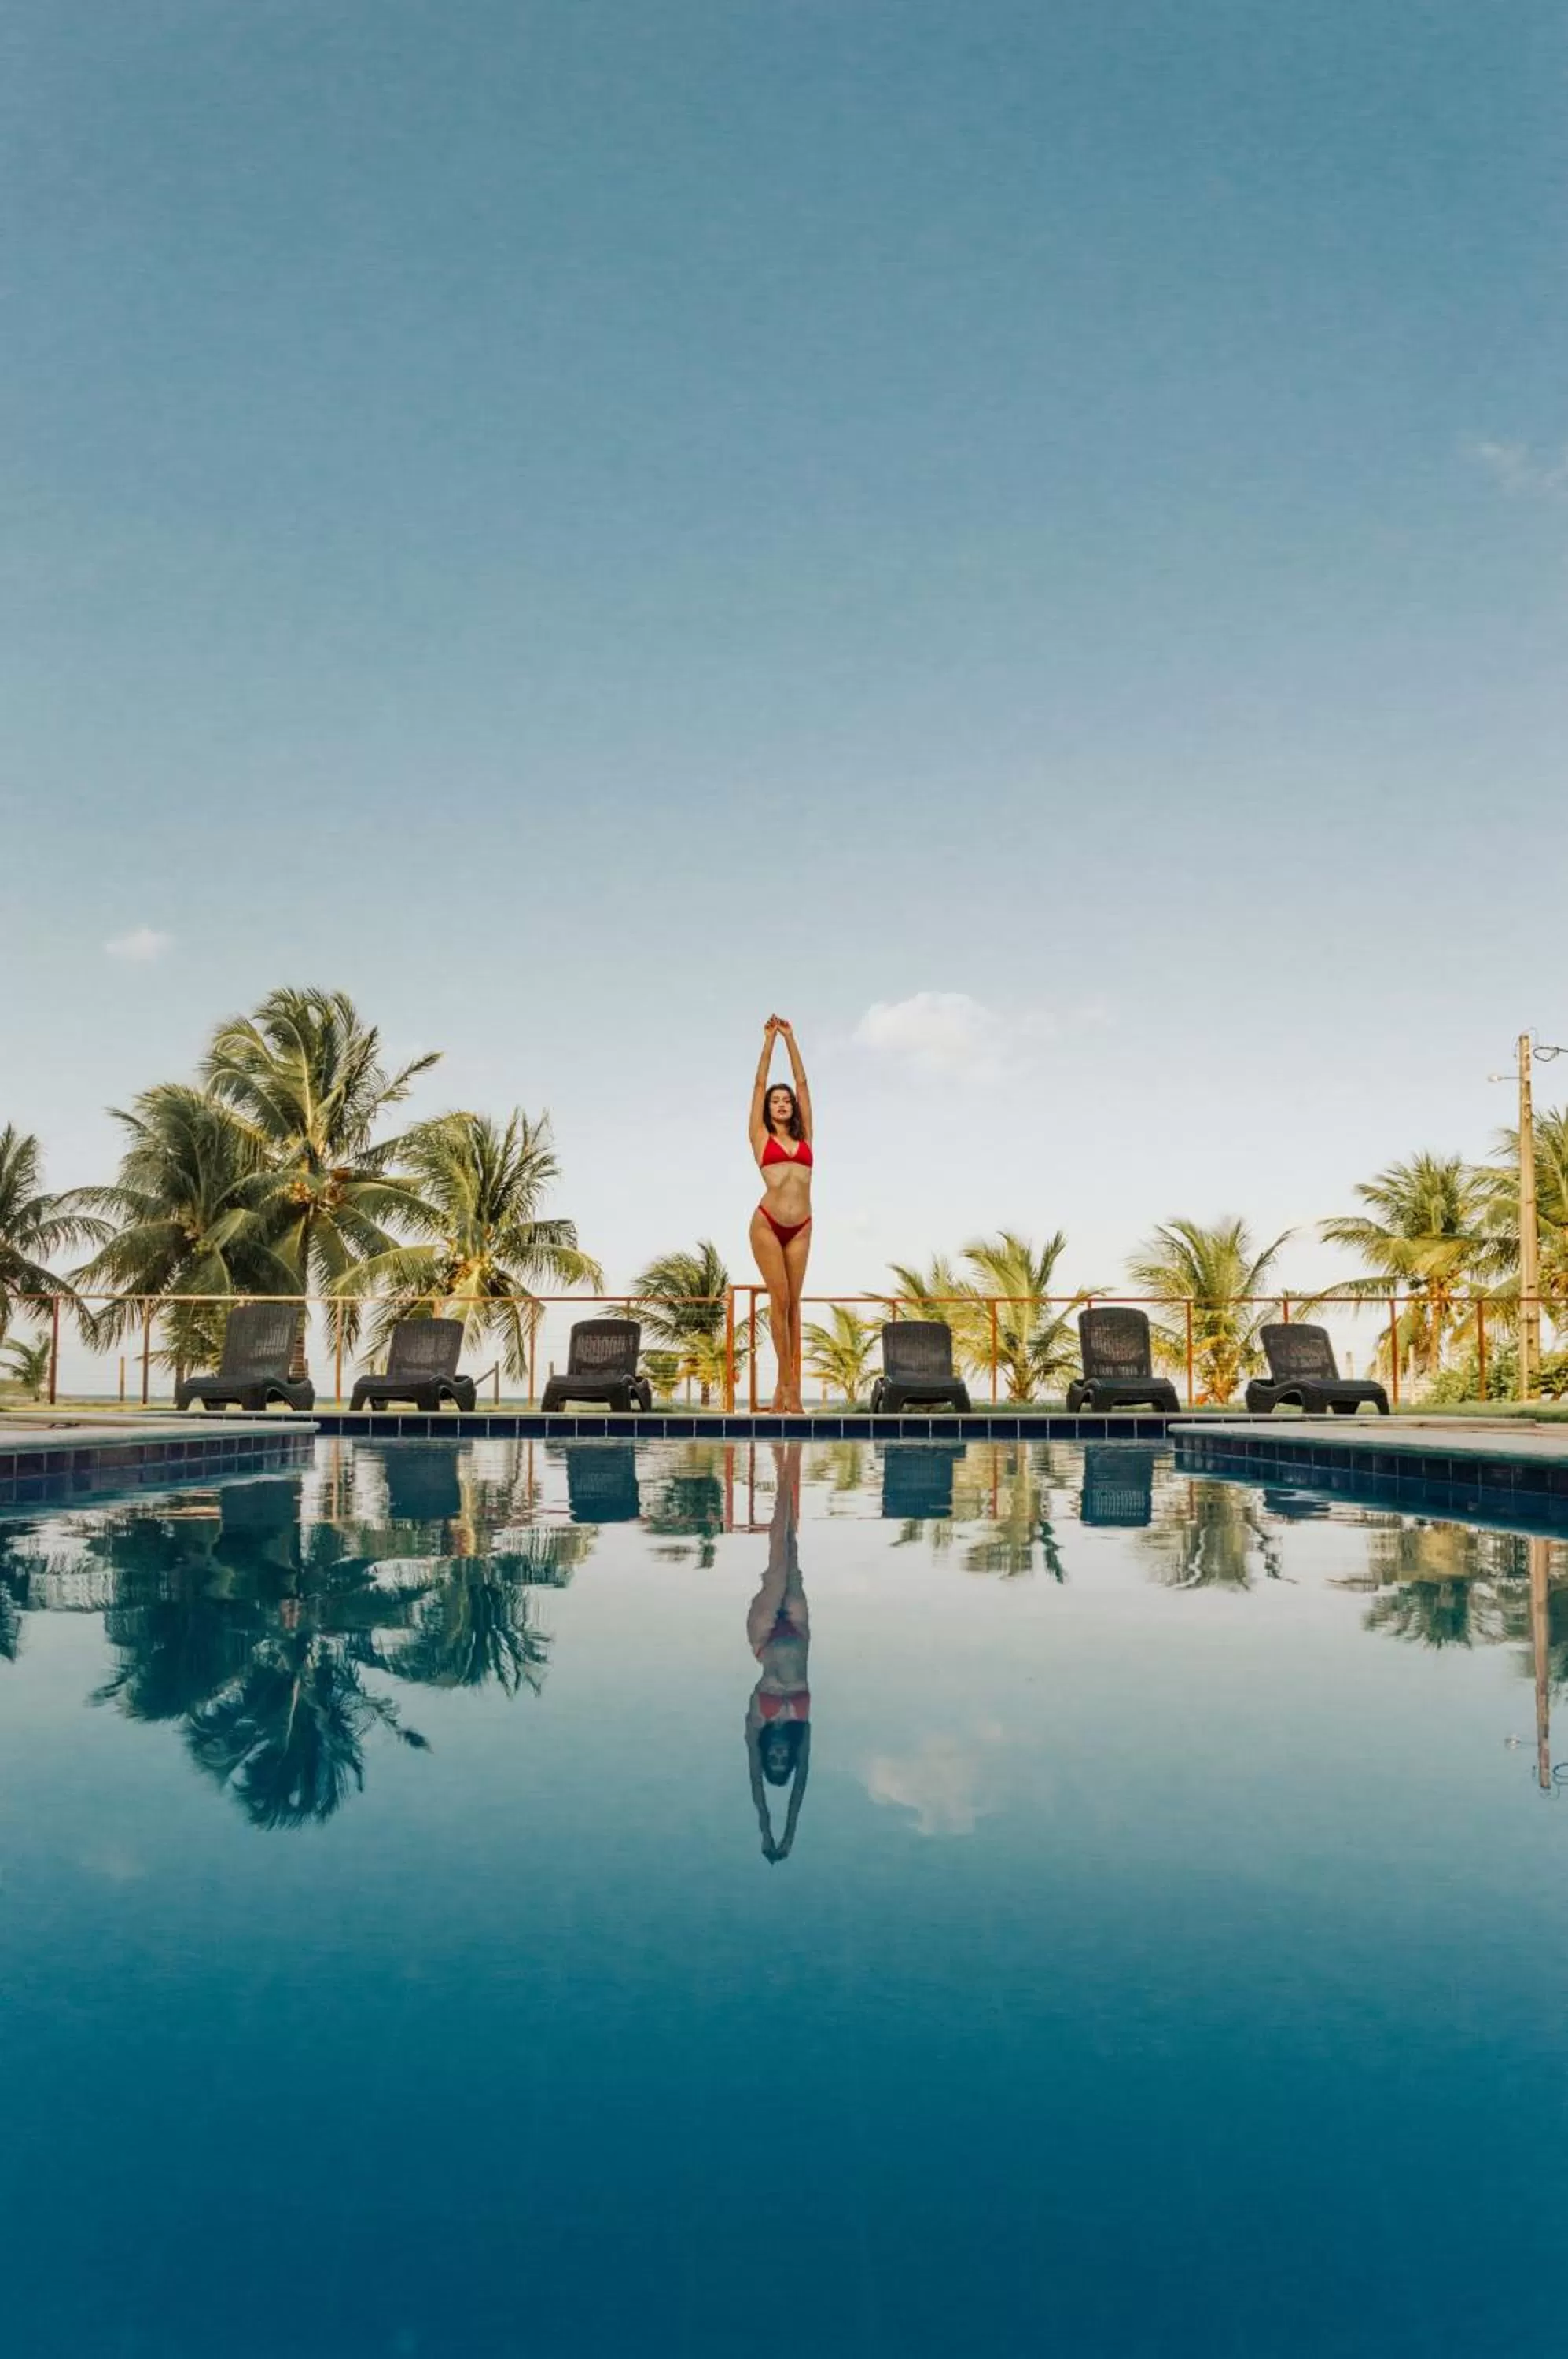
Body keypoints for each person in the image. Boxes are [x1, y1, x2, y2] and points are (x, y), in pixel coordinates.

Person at [745, 1444, 811, 1862]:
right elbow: (801, 1784)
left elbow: (755, 1784)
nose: (781, 1755)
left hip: (766, 1634)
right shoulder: (803, 1733)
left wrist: (769, 1828)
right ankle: (788, 1467)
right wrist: (791, 1836)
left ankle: (783, 1464)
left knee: (777, 1557)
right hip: (799, 1630)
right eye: (783, 1760)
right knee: (792, 1546)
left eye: (776, 1758)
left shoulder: (757, 1725)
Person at [749, 1014, 813, 1414]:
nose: (783, 1103)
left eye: (786, 1100)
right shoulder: (760, 1137)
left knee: (795, 1306)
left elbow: (804, 1085)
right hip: (767, 1226)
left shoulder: (806, 1137)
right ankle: (787, 1387)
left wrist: (792, 1037)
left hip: (803, 1227)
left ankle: (786, 1391)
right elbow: (758, 1085)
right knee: (780, 1300)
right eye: (777, 1100)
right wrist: (769, 1041)